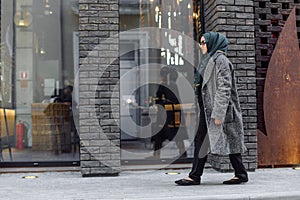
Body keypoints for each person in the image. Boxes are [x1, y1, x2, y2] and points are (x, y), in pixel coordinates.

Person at [175, 32, 248, 185]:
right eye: (200, 42)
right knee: (214, 139)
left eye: (203, 42)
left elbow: (224, 88)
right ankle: (240, 173)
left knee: (225, 138)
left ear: (213, 42)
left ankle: (196, 176)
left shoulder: (220, 60)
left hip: (219, 109)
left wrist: (219, 113)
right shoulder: (209, 60)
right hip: (208, 108)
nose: (201, 45)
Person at [151, 67, 187, 158]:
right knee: (162, 135)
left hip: (170, 115)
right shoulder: (168, 84)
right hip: (168, 114)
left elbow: (172, 100)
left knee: (174, 134)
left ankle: (181, 153)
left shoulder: (170, 85)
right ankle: (157, 155)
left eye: (162, 75)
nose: (161, 77)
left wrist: (160, 102)